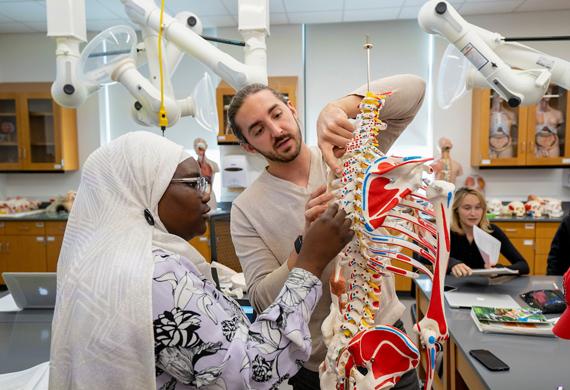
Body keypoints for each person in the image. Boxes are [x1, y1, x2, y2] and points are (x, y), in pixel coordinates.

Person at [49, 131, 354, 389]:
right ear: (147, 193)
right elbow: (252, 373)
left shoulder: (114, 262)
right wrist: (310, 264)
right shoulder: (154, 277)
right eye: (193, 183)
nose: (205, 195)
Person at [228, 74, 426, 389]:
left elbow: (415, 90)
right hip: (319, 365)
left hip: (387, 347)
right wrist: (305, 250)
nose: (276, 130)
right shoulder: (245, 210)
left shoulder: (349, 152)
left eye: (276, 114)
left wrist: (339, 106)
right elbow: (262, 299)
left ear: (291, 109)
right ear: (248, 146)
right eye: (258, 130)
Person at [448, 187, 530, 277]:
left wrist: (499, 270)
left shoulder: (492, 231)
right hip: (452, 287)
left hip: (484, 287)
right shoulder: (446, 232)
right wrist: (452, 263)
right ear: (456, 210)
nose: (473, 213)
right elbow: (432, 262)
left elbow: (523, 266)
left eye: (478, 208)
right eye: (467, 208)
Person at [193, 137, 219, 209]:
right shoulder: (192, 165)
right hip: (195, 197)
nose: (199, 147)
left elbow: (207, 183)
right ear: (194, 148)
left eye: (201, 144)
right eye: (196, 145)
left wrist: (202, 157)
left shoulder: (213, 165)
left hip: (209, 197)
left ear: (206, 147)